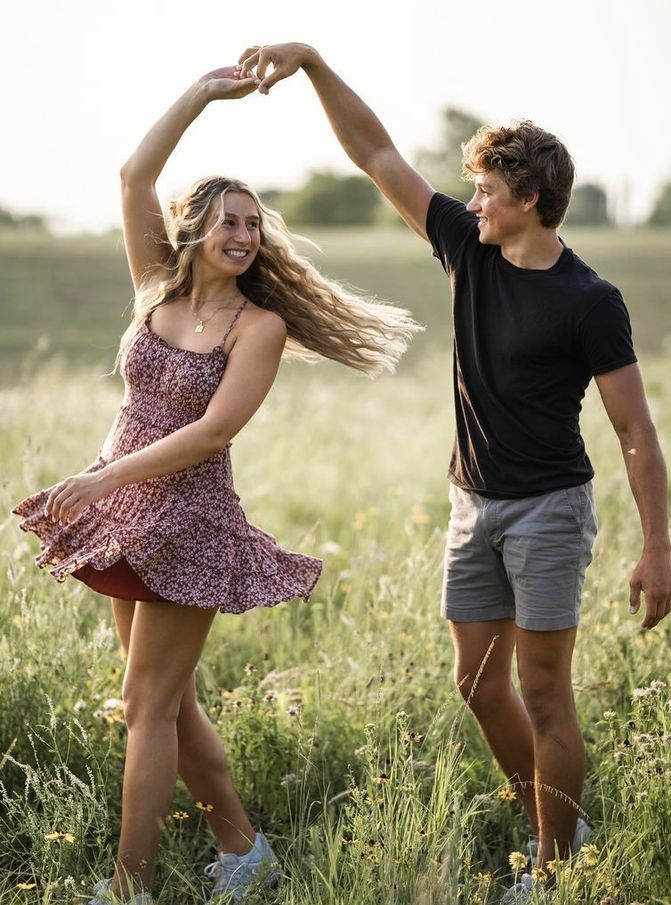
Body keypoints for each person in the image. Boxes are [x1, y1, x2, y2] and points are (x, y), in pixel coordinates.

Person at [236, 43, 671, 902]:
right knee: (477, 684)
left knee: (545, 694)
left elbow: (635, 430)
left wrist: (656, 547)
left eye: (487, 190)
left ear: (531, 202)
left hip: (550, 510)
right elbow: (375, 154)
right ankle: (557, 819)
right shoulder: (467, 248)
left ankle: (551, 871)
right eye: (472, 188)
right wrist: (315, 65)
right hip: (471, 505)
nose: (471, 199)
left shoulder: (590, 300)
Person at [13, 65, 420, 905]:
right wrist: (202, 95)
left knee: (145, 703)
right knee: (165, 697)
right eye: (230, 220)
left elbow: (214, 431)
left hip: (188, 521)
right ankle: (243, 849)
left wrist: (99, 476)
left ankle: (127, 886)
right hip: (123, 510)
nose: (244, 233)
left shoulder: (259, 325)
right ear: (194, 227)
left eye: (254, 225)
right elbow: (134, 175)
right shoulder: (154, 285)